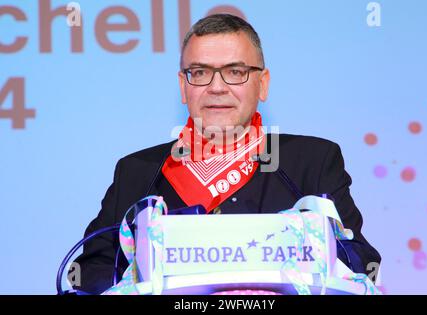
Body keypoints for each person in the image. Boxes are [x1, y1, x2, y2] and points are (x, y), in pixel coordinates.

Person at [73, 14, 381, 294]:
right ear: (184, 86)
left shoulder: (310, 162)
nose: (217, 87)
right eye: (200, 72)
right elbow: (88, 273)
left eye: (236, 72)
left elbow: (362, 263)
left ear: (263, 84)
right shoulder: (138, 172)